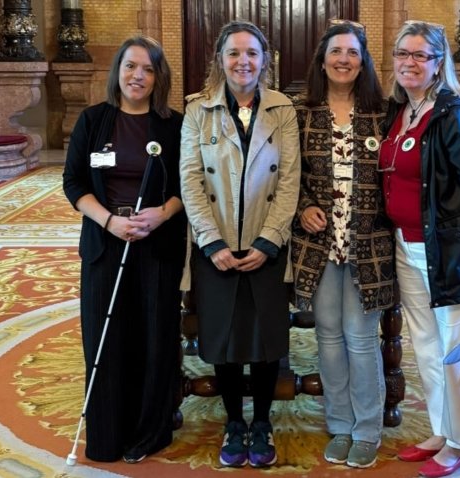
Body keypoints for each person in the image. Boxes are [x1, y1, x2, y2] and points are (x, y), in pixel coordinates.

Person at [381, 21, 460, 477]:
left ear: (439, 63)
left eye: (421, 55)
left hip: (451, 253)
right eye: (403, 54)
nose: (410, 63)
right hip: (406, 247)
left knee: (457, 351)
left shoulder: (455, 115)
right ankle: (442, 428)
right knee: (426, 347)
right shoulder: (399, 111)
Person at [179, 20, 301, 469]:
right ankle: (234, 421)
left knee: (266, 339)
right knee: (223, 338)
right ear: (220, 59)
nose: (242, 61)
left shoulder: (282, 109)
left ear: (264, 60)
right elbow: (190, 180)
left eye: (251, 53)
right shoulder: (198, 110)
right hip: (217, 247)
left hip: (266, 244)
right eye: (233, 53)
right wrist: (211, 243)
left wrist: (270, 240)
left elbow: (289, 180)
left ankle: (262, 421)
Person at [62, 35, 186, 464]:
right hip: (105, 242)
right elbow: (74, 183)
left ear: (158, 78)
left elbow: (188, 185)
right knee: (106, 338)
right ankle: (108, 433)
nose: (138, 76)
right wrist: (109, 221)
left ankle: (150, 430)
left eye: (148, 69)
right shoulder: (94, 120)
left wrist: (162, 214)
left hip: (157, 244)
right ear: (118, 70)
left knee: (154, 337)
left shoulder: (173, 125)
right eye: (131, 66)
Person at [290, 20, 393, 469]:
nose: (344, 60)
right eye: (336, 51)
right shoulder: (300, 112)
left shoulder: (383, 112)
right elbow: (286, 174)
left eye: (352, 52)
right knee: (329, 335)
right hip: (318, 243)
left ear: (363, 61)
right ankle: (340, 424)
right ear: (322, 59)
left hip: (369, 243)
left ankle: (367, 429)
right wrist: (303, 207)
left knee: (361, 337)